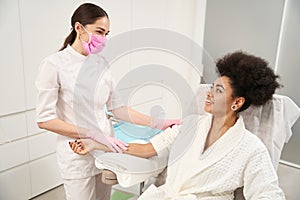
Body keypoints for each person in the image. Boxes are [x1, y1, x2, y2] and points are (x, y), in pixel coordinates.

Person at [70, 51, 286, 199]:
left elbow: (268, 193)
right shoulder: (191, 125)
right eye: (212, 87)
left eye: (218, 91)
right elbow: (146, 149)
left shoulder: (251, 148)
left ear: (237, 103)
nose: (209, 94)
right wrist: (97, 145)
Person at [36, 3, 181, 200]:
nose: (103, 39)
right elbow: (45, 120)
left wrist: (159, 123)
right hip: (76, 153)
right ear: (79, 28)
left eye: (106, 33)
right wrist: (91, 133)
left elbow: (119, 108)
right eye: (99, 32)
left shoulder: (101, 63)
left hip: (105, 149)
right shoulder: (54, 65)